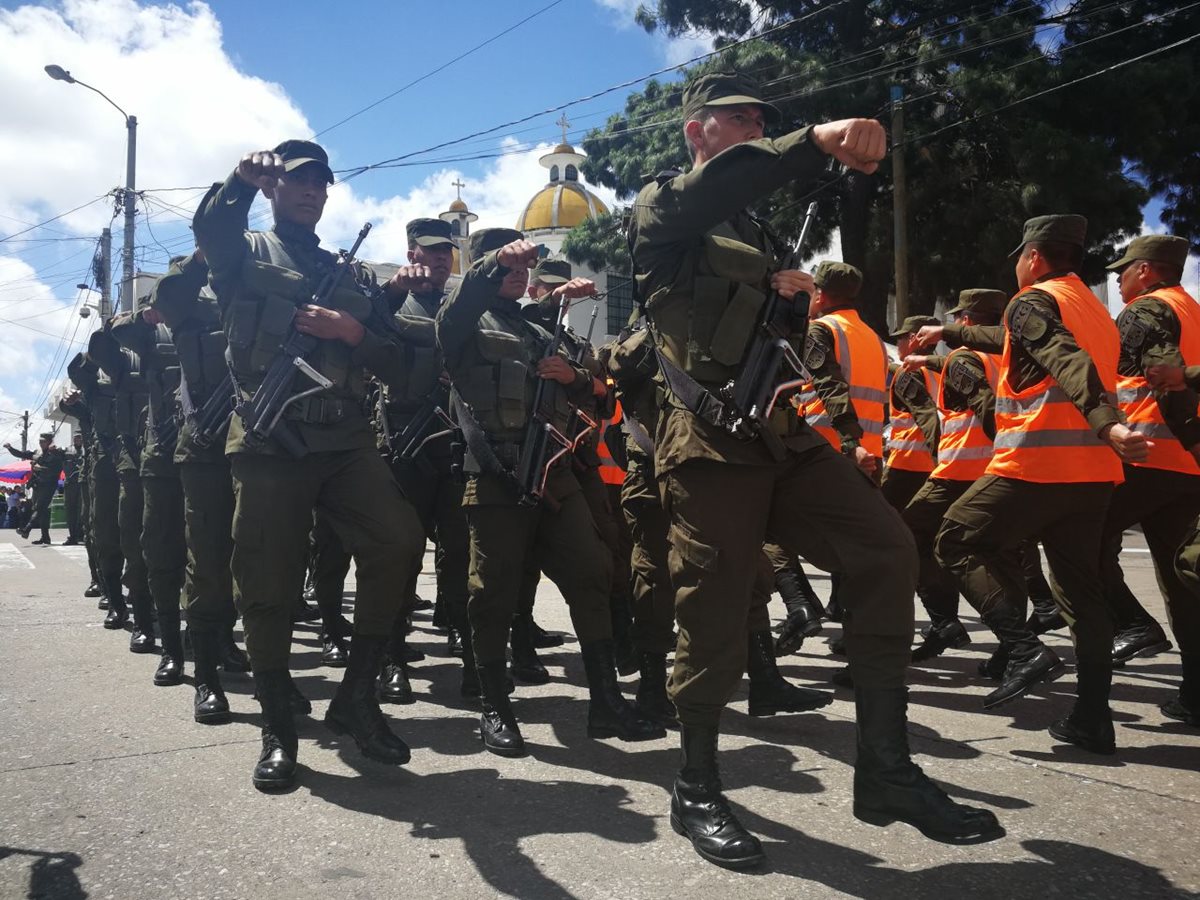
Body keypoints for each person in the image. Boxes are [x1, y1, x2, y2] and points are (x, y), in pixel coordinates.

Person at [630, 71, 1001, 868]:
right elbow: (724, 192)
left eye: (765, 119)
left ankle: (886, 770)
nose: (756, 128)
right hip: (707, 440)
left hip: (782, 434)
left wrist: (788, 293)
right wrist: (814, 141)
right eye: (740, 119)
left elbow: (763, 328)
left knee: (886, 548)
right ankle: (695, 785)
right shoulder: (664, 206)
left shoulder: (758, 231)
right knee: (715, 607)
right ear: (699, 131)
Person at [193, 139, 426, 790]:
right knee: (267, 584)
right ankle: (278, 728)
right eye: (298, 181)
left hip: (345, 438)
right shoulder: (244, 254)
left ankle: (357, 697)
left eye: (321, 183)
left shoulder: (349, 277)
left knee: (399, 540)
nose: (311, 191)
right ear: (275, 190)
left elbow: (396, 366)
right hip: (270, 436)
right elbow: (212, 228)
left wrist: (353, 333)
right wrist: (236, 183)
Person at [914, 214, 1149, 754]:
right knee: (1082, 596)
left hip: (1036, 466)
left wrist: (1106, 420)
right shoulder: (1094, 308)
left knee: (954, 539)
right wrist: (946, 334)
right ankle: (1092, 719)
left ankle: (1021, 649)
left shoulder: (1033, 298)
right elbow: (1009, 338)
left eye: (1019, 257)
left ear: (1034, 257)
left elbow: (1066, 360)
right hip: (1093, 476)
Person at [435, 227, 662, 758]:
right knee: (492, 591)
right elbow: (465, 301)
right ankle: (495, 706)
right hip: (496, 473)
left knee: (591, 570)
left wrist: (570, 367)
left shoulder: (538, 328)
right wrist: (493, 262)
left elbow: (594, 392)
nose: (518, 274)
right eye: (507, 265)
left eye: (523, 267)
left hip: (556, 471)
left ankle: (605, 701)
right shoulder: (463, 320)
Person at [1098, 235, 1200, 722]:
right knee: (1180, 582)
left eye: (1125, 269)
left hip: (1148, 456)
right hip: (1184, 467)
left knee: (1077, 541)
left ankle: (1133, 624)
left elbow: (1163, 375)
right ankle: (1196, 695)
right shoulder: (1192, 309)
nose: (1118, 279)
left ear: (1148, 270)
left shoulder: (1145, 310)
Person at [374, 217, 472, 698]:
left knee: (458, 549)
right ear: (411, 252)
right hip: (406, 442)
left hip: (452, 441)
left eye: (446, 252)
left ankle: (459, 628)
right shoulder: (393, 300)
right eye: (430, 251)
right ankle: (392, 654)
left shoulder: (460, 306)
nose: (439, 259)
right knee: (404, 554)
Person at [900, 291, 1005, 663]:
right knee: (1001, 556)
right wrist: (924, 358)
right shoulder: (1003, 355)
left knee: (906, 536)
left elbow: (984, 405)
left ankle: (947, 622)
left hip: (958, 470)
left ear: (966, 321)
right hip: (994, 469)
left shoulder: (964, 356)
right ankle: (1011, 648)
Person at [4, 433, 65, 545]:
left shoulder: (56, 454)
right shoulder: (38, 453)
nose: (41, 443)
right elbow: (22, 454)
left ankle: (26, 529)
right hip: (37, 485)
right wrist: (10, 448)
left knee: (39, 508)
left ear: (50, 442)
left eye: (43, 441)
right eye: (40, 441)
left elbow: (55, 471)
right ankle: (45, 537)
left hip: (48, 486)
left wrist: (39, 468)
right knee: (42, 511)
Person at [62, 433, 85, 545]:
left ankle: (80, 535)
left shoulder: (87, 449)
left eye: (79, 438)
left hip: (82, 484)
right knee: (70, 510)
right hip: (70, 484)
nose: (77, 440)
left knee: (82, 511)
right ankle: (72, 536)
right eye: (75, 438)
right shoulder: (67, 450)